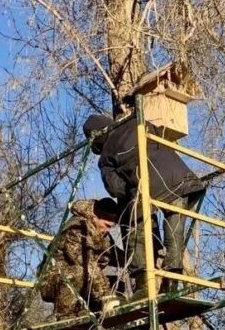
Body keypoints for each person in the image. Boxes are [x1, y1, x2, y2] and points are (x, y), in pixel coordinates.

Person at [82, 114, 205, 296]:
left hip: (146, 187)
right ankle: (172, 282)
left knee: (134, 231)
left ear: (96, 139)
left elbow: (115, 188)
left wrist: (132, 191)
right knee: (174, 231)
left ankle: (143, 286)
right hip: (180, 178)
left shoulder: (106, 154)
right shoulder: (138, 121)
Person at [38, 198, 123, 319]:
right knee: (79, 272)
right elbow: (85, 262)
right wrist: (106, 296)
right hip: (53, 280)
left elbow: (114, 255)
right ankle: (64, 314)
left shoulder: (103, 235)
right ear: (95, 216)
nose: (107, 230)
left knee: (114, 279)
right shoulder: (76, 228)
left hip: (82, 280)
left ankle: (91, 310)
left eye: (111, 227)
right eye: (106, 225)